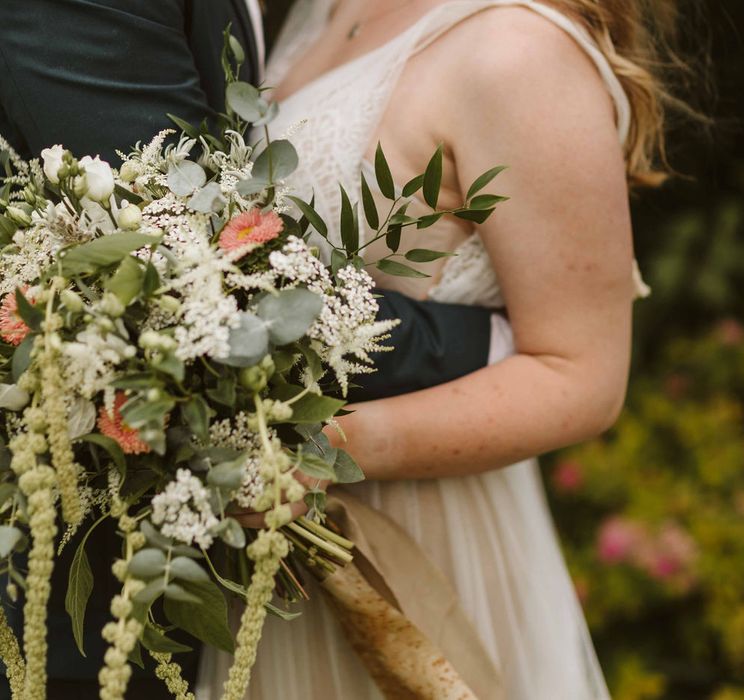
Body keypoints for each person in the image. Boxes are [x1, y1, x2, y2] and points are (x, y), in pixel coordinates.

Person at [0, 1, 498, 697]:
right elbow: (184, 263)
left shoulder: (334, 18)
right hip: (92, 587)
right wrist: (490, 339)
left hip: (325, 528)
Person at [197, 0, 668, 697]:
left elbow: (582, 376)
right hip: (266, 556)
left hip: (421, 549)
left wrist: (329, 450)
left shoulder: (519, 49)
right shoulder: (314, 15)